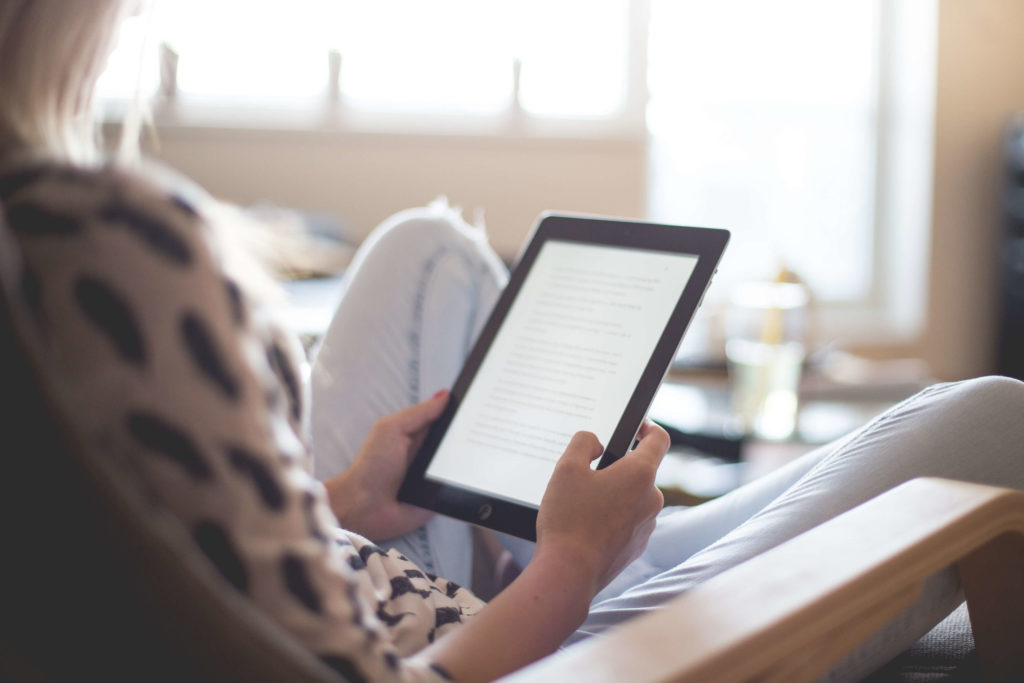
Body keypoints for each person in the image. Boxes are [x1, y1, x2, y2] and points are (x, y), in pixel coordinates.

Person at [2, 2, 1023, 681]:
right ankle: (582, 550)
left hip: (381, 567)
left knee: (430, 248)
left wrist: (352, 499)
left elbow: (191, 553)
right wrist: (565, 569)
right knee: (994, 416)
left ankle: (555, 535)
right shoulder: (94, 243)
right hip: (524, 650)